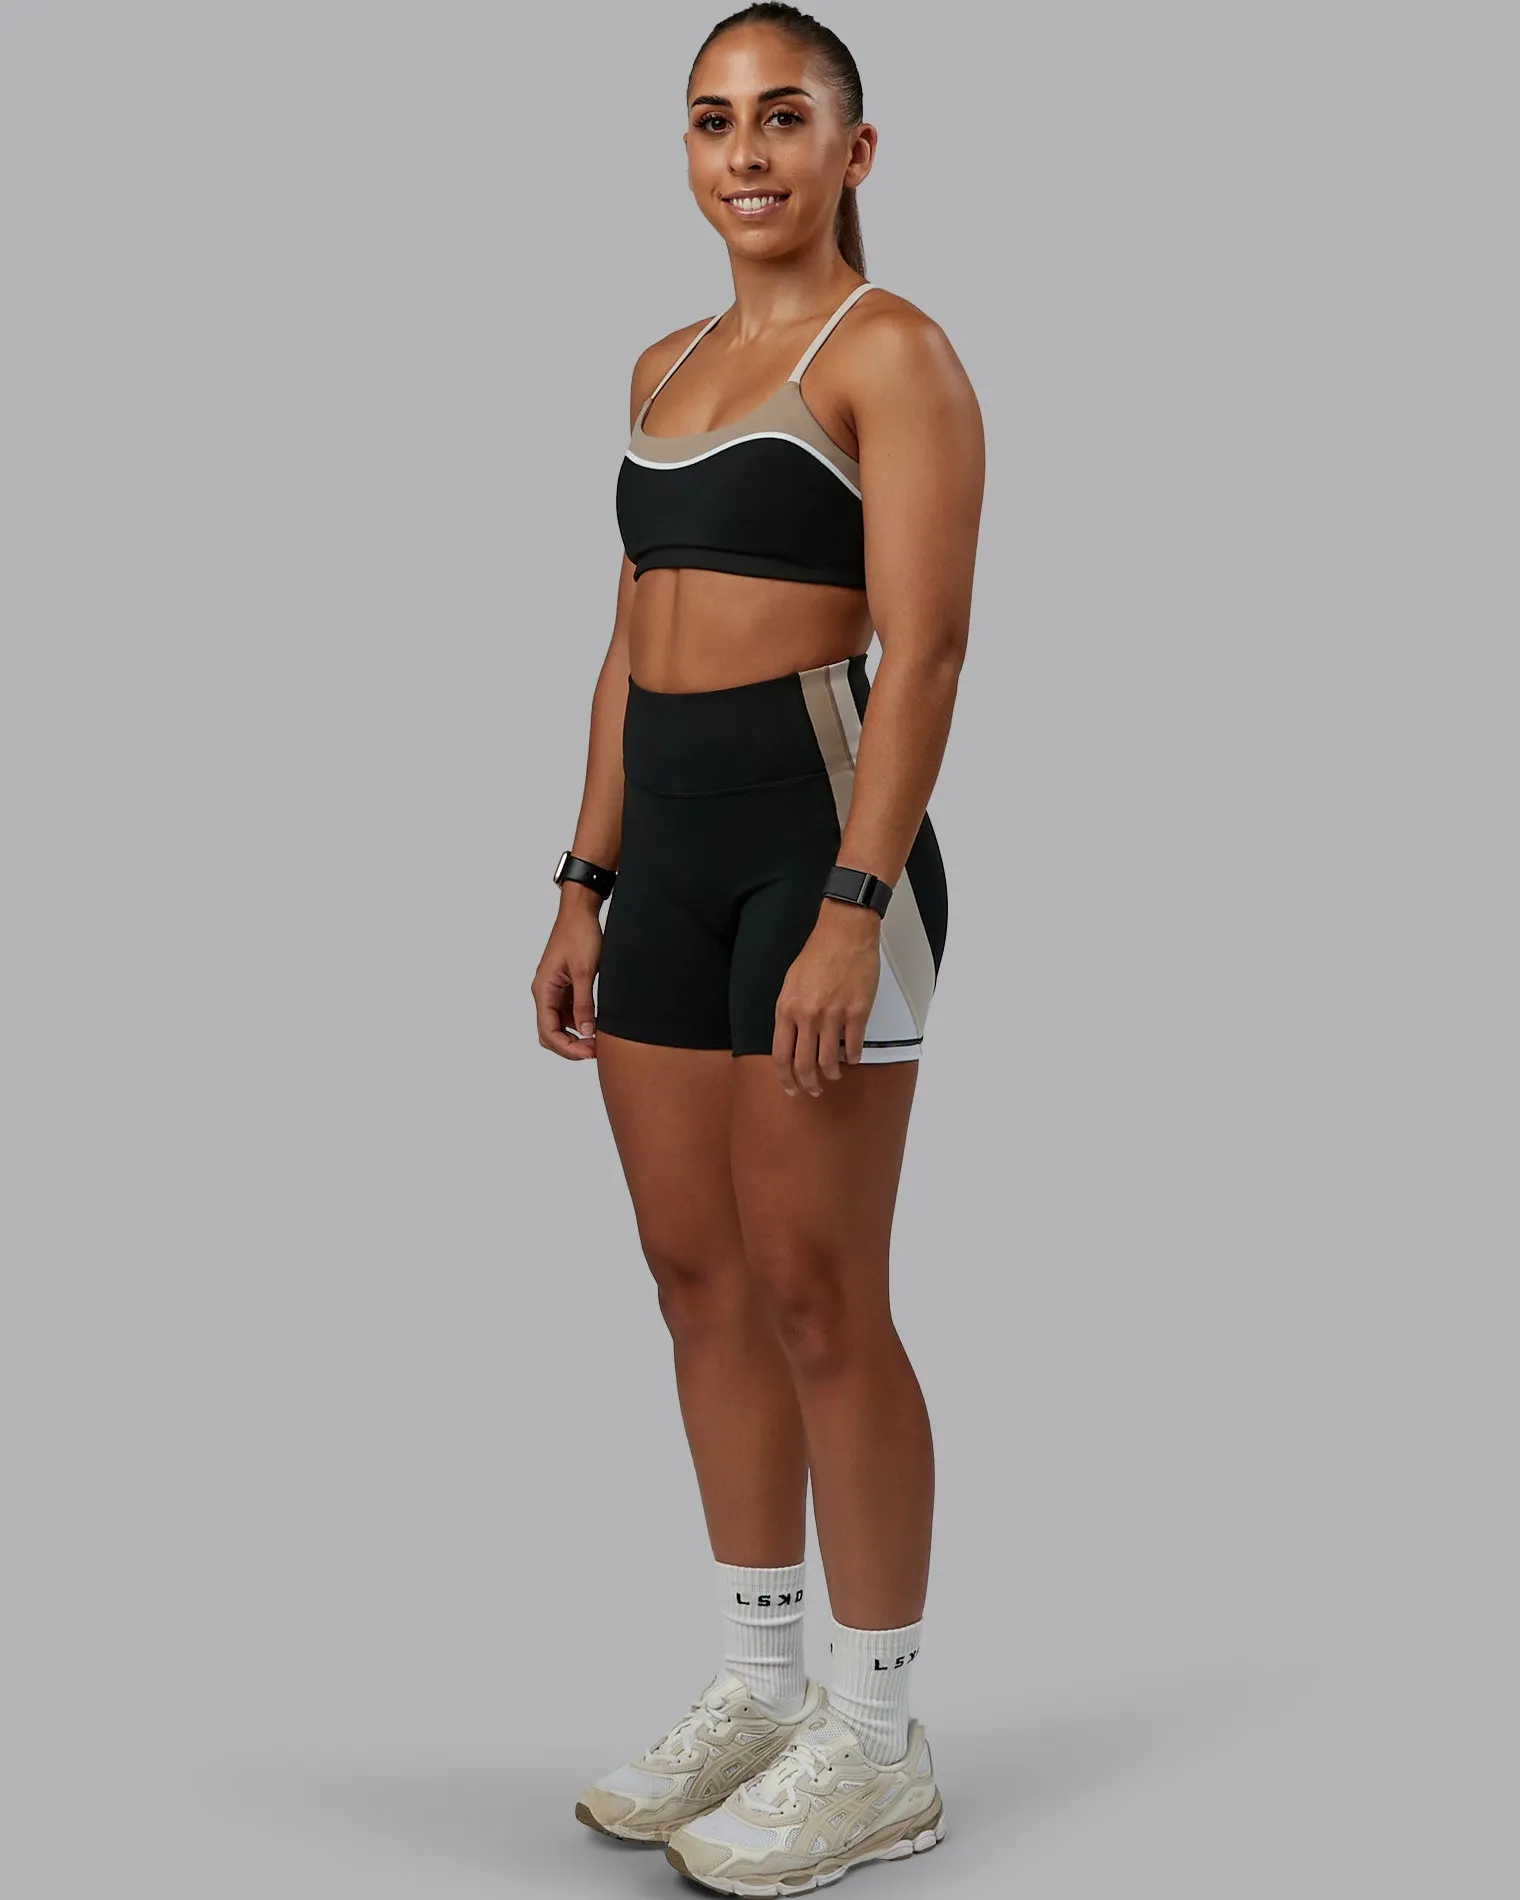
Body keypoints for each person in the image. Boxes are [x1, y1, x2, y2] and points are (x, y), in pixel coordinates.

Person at [531, 5, 983, 1890]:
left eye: (785, 117)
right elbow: (630, 633)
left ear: (853, 152)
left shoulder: (892, 353)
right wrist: (582, 878)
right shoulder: (663, 363)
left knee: (817, 1288)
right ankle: (760, 1683)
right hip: (668, 859)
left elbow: (927, 652)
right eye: (715, 119)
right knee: (694, 1276)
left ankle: (878, 1738)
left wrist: (853, 909)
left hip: (821, 850)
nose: (747, 152)